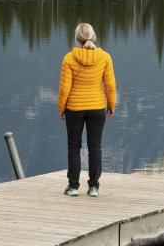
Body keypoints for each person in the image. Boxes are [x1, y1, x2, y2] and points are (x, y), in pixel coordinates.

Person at [57, 22, 117, 197]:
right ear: (94, 37)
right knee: (95, 146)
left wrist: (61, 108)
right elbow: (110, 86)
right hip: (97, 108)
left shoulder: (69, 58)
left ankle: (73, 186)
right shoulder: (105, 57)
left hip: (74, 108)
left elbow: (64, 88)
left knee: (74, 147)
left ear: (77, 38)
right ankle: (94, 187)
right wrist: (111, 104)